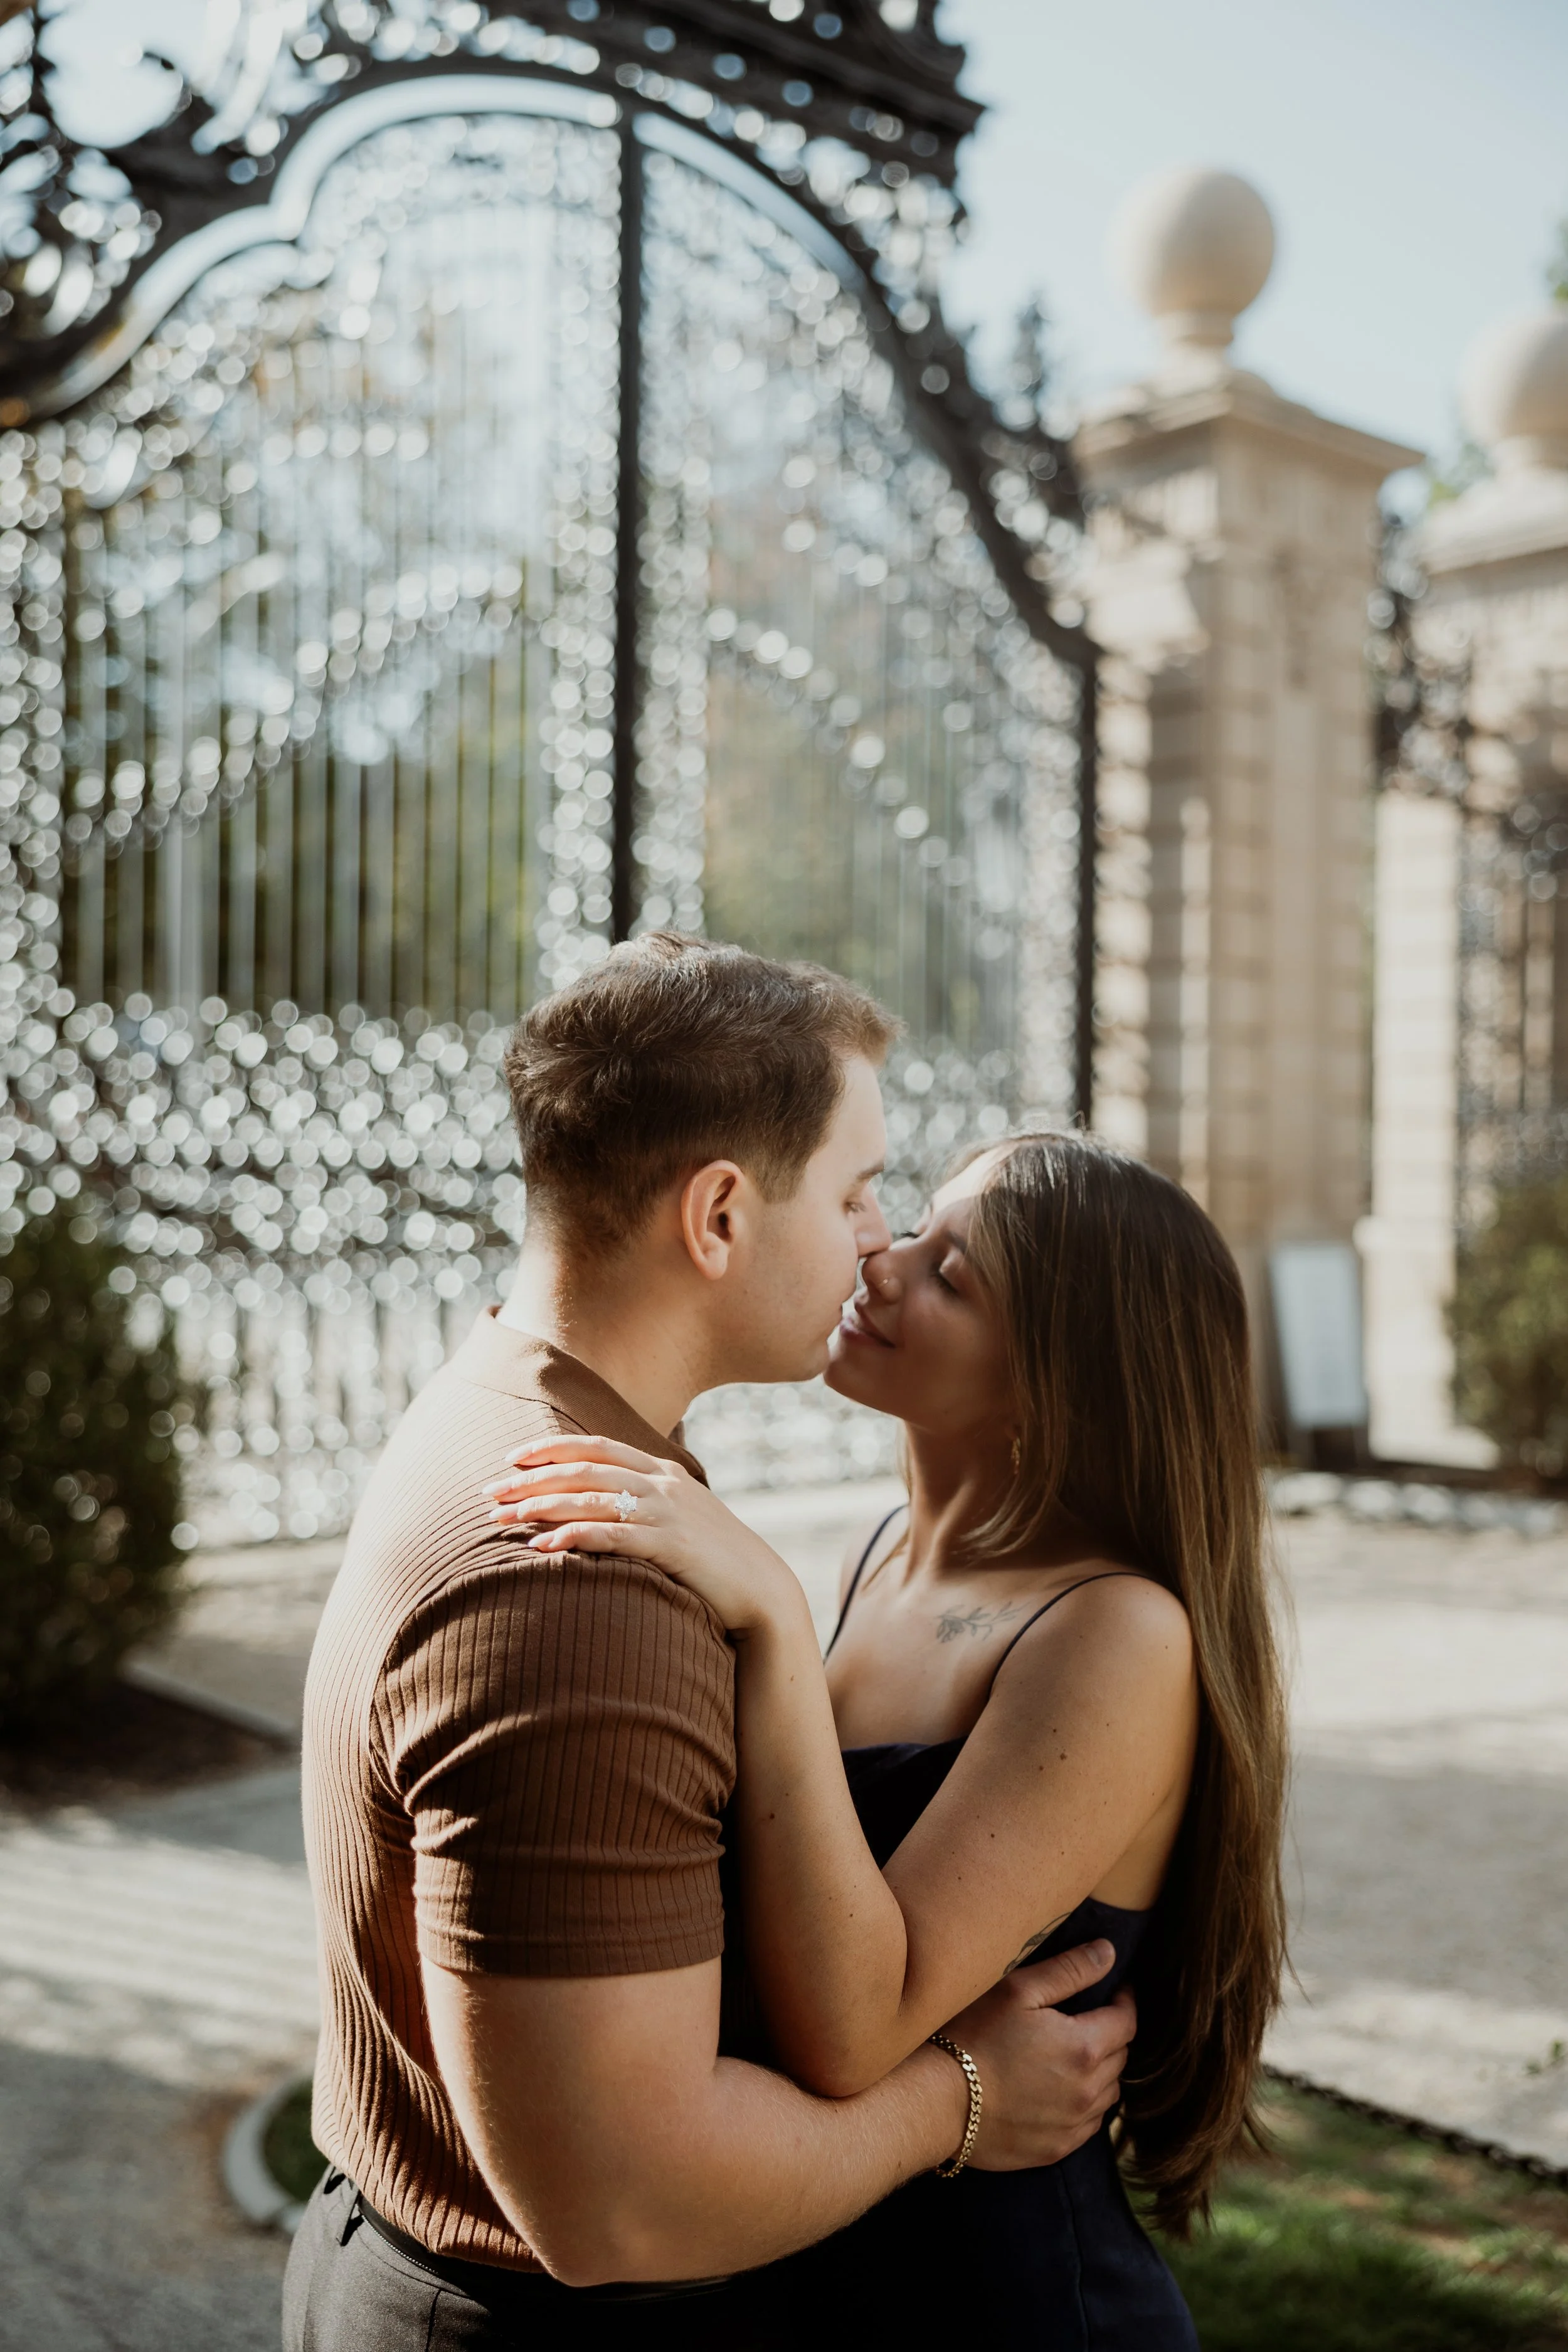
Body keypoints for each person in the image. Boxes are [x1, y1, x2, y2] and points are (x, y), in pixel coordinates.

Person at [284, 938, 1138, 2352]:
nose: (877, 1241)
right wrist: (960, 2097)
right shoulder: (578, 1579)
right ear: (721, 1217)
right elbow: (624, 2202)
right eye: (861, 1192)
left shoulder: (526, 1407)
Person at [487, 1128, 1291, 2345]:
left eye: (952, 1277)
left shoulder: (1111, 1634)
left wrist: (765, 1612)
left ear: (1056, 1381)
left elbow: (854, 2028)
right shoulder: (885, 1553)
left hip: (998, 2302)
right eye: (914, 1225)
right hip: (821, 2258)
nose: (881, 1263)